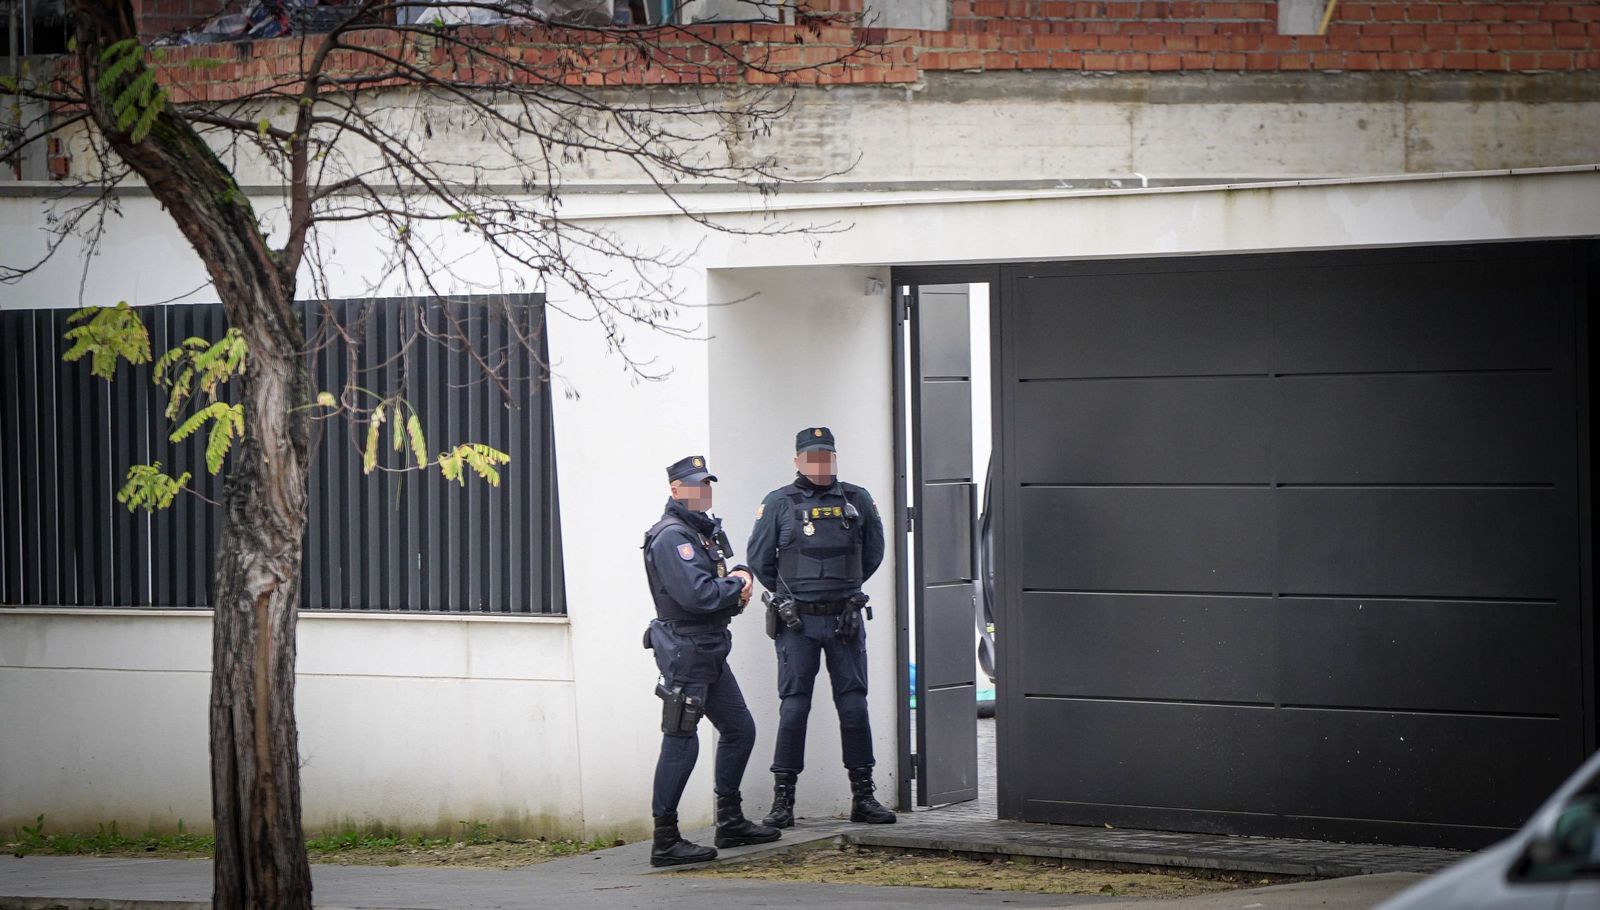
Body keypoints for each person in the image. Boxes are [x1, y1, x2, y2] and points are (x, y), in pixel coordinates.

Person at [747, 428, 897, 828]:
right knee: (794, 707)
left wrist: (847, 589)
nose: (820, 465)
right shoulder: (779, 502)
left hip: (844, 619)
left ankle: (863, 797)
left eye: (827, 457)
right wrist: (791, 596)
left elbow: (874, 552)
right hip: (798, 622)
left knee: (853, 706)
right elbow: (760, 560)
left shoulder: (857, 499)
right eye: (812, 457)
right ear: (797, 460)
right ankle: (783, 803)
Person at [642, 455, 782, 866]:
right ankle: (665, 840)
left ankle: (730, 821)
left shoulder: (700, 531)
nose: (702, 491)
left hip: (710, 647)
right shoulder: (672, 537)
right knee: (681, 740)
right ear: (675, 489)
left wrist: (734, 582)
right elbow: (698, 595)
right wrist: (736, 585)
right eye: (693, 485)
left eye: (706, 484)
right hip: (688, 650)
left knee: (740, 730)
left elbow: (717, 590)